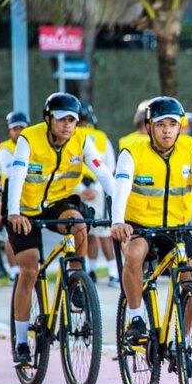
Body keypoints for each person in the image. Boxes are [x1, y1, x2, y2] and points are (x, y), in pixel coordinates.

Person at [111, 96, 192, 346]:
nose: (167, 130)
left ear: (180, 126)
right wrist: (118, 220)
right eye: (160, 125)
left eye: (172, 124)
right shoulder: (132, 152)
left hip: (176, 229)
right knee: (134, 255)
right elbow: (121, 188)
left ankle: (180, 341)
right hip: (140, 226)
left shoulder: (191, 151)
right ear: (149, 127)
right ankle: (136, 318)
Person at [6, 93, 114, 367]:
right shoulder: (29, 138)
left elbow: (103, 175)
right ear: (48, 119)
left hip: (57, 203)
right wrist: (14, 212)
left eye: (72, 120)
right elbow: (17, 174)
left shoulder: (82, 140)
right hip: (24, 207)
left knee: (78, 224)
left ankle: (75, 276)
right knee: (29, 270)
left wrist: (123, 213)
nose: (67, 125)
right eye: (61, 119)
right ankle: (21, 344)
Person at [77, 103, 119, 287]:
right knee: (89, 233)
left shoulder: (100, 138)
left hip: (95, 188)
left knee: (102, 233)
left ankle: (113, 272)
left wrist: (93, 187)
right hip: (81, 187)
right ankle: (92, 270)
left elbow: (109, 165)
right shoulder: (73, 137)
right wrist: (81, 188)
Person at [0, 111, 30, 280]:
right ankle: (14, 270)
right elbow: (10, 171)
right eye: (15, 129)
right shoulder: (5, 148)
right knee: (11, 234)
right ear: (9, 131)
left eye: (22, 128)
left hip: (28, 194)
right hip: (9, 194)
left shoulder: (31, 144)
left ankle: (25, 267)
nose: (19, 132)